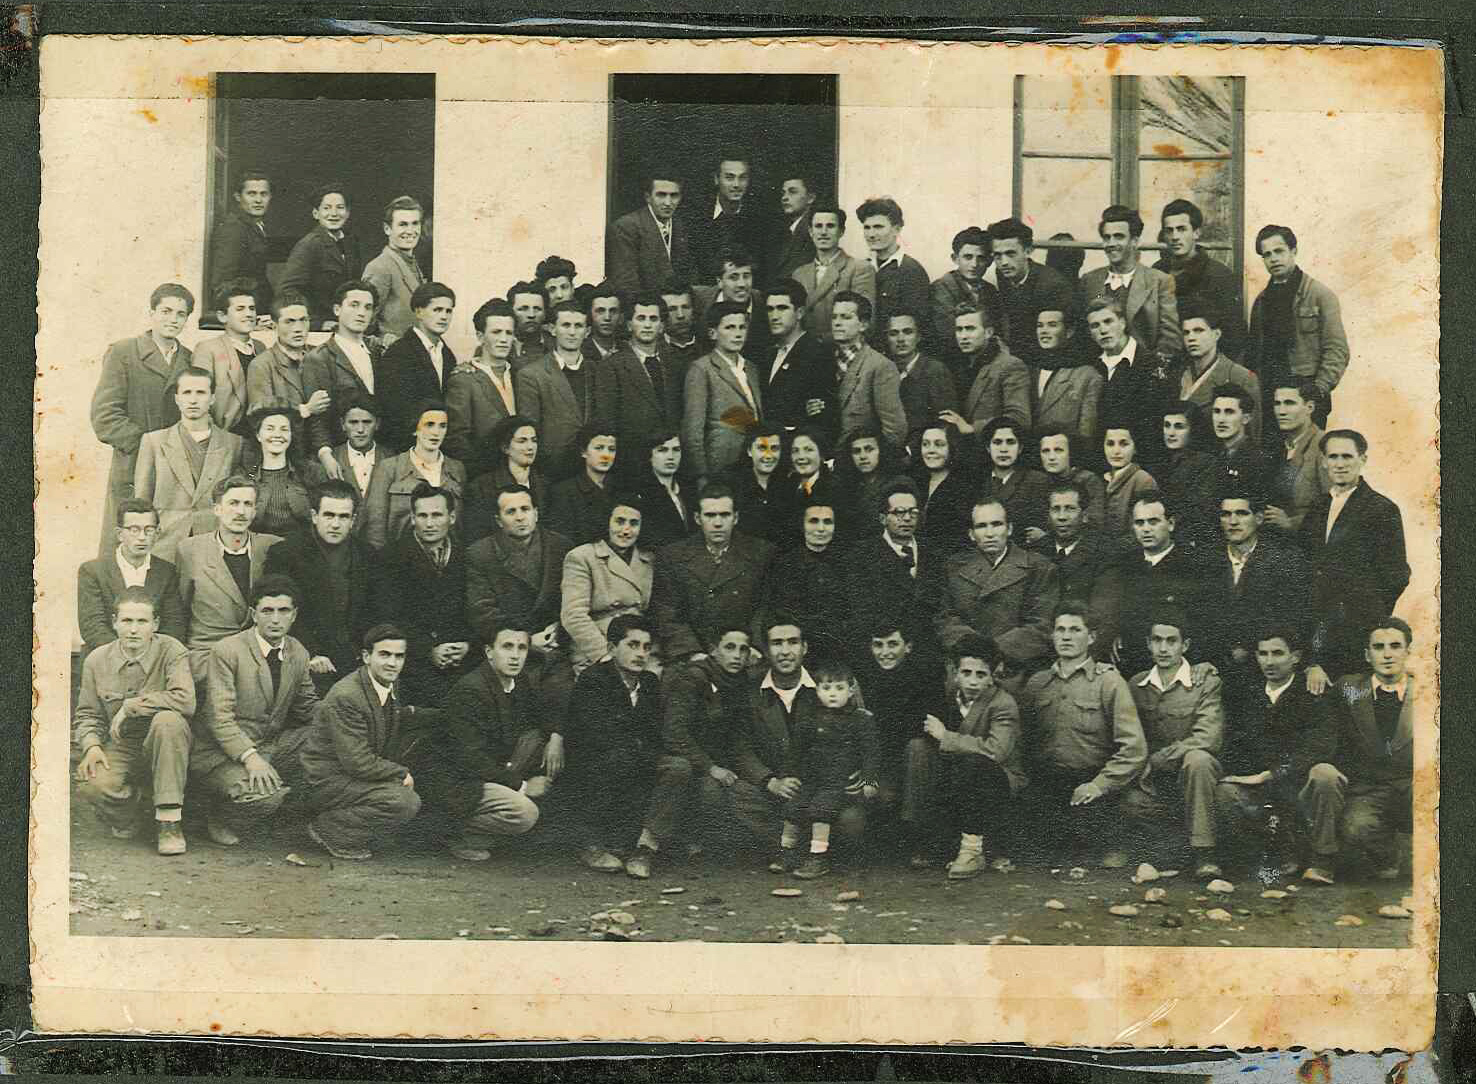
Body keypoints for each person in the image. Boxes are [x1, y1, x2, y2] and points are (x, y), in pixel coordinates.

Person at [191, 575, 320, 846]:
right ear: (253, 614)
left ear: (294, 615)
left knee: (324, 739)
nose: (275, 619)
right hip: (221, 753)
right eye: (267, 611)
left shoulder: (297, 652)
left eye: (283, 611)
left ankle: (278, 810)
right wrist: (251, 758)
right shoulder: (227, 650)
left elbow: (308, 707)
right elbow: (219, 718)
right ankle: (219, 813)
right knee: (266, 797)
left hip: (269, 745)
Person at [1018, 600, 1146, 867]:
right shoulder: (1038, 683)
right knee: (1032, 851)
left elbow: (1133, 749)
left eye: (1075, 630)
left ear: (1091, 637)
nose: (1066, 637)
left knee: (1095, 853)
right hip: (1049, 784)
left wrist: (1099, 785)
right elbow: (1024, 743)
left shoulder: (1109, 682)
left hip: (1091, 784)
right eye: (1060, 630)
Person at [72, 587, 196, 855]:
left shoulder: (172, 650)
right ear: (114, 623)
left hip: (166, 742)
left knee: (168, 721)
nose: (134, 630)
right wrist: (92, 746)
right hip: (122, 744)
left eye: (142, 621)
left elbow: (185, 700)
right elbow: (87, 714)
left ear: (156, 624)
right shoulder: (97, 660)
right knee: (93, 784)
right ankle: (138, 812)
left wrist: (131, 707)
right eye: (127, 621)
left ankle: (169, 823)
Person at [558, 614, 684, 877]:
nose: (640, 654)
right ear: (612, 648)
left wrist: (641, 748)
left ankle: (645, 848)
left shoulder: (649, 683)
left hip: (636, 758)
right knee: (616, 759)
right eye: (632, 645)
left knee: (678, 767)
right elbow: (596, 736)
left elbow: (653, 734)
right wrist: (638, 746)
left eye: (646, 647)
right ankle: (591, 843)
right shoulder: (593, 680)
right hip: (596, 765)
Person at [415, 623, 546, 861]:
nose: (515, 656)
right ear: (489, 652)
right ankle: (454, 834)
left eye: (522, 648)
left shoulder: (520, 683)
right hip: (456, 781)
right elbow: (469, 757)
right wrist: (522, 785)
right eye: (507, 647)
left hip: (487, 771)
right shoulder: (471, 689)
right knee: (524, 813)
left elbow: (533, 727)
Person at [1215, 626, 1337, 880]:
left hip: (1298, 782)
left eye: (1278, 653)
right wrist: (1249, 774)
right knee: (1226, 792)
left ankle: (1321, 858)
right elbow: (1235, 741)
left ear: (1295, 657)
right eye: (1263, 653)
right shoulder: (1248, 694)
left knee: (1325, 775)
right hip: (1263, 786)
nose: (1269, 662)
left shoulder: (1312, 691)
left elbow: (1320, 744)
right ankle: (1270, 852)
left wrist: (1274, 773)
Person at [1301, 618, 1417, 885]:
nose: (1387, 655)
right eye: (1378, 647)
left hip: (1415, 786)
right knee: (1355, 826)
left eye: (1395, 646)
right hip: (1370, 790)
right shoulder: (1348, 688)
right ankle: (1387, 855)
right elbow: (1324, 731)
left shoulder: (1430, 690)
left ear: (1408, 651)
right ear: (1367, 655)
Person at [296, 624, 424, 861]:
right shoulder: (348, 695)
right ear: (366, 656)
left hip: (349, 775)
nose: (392, 663)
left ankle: (352, 827)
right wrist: (400, 773)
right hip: (324, 781)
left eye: (399, 656)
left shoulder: (387, 682)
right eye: (384, 654)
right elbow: (358, 762)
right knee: (404, 801)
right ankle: (330, 828)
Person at [1298, 430, 1411, 690]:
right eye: (1333, 457)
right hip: (1316, 630)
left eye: (1347, 456)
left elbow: (1395, 575)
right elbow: (1305, 567)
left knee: (1354, 702)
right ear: (1323, 461)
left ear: (1363, 459)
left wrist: (1369, 616)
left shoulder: (1381, 509)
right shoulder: (1317, 508)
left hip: (1357, 632)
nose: (1340, 464)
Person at [90, 282, 196, 557]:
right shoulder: (124, 352)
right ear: (151, 313)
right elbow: (105, 416)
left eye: (181, 314)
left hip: (175, 469)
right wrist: (147, 446)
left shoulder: (189, 359)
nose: (173, 319)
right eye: (166, 311)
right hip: (133, 464)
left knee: (167, 546)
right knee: (126, 544)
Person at [1121, 608, 1226, 874]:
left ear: (1185, 645)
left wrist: (1160, 758)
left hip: (1195, 780)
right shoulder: (1136, 684)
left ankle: (1205, 854)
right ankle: (1174, 849)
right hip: (1155, 786)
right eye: (1157, 640)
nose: (1163, 648)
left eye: (1171, 641)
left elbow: (1208, 737)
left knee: (1198, 759)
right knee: (1128, 803)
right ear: (1148, 643)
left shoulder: (1205, 682)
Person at [921, 634, 1025, 878]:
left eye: (981, 674)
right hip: (961, 777)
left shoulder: (1003, 704)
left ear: (992, 676)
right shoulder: (949, 696)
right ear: (954, 672)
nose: (973, 682)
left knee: (974, 763)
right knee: (918, 749)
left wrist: (946, 737)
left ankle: (972, 850)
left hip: (998, 780)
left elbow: (995, 751)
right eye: (966, 673)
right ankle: (925, 839)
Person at [263, 479, 375, 693]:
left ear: (353, 520)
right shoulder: (286, 553)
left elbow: (377, 610)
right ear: (314, 516)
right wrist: (310, 653)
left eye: (343, 517)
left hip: (356, 658)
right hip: (305, 657)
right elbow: (277, 612)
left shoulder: (368, 555)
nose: (335, 524)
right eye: (329, 515)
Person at [371, 482, 478, 706]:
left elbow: (475, 607)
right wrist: (428, 650)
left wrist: (467, 644)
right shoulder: (390, 557)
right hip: (413, 660)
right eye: (422, 516)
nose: (429, 523)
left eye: (437, 515)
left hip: (461, 658)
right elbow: (388, 616)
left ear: (451, 517)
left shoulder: (466, 556)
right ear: (412, 518)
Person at [773, 656, 880, 880]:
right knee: (793, 808)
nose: (832, 694)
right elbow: (796, 751)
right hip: (812, 778)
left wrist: (869, 780)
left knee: (821, 809)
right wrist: (787, 775)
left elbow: (870, 753)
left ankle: (818, 857)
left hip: (840, 782)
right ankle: (787, 853)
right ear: (818, 691)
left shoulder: (860, 720)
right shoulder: (811, 719)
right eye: (826, 688)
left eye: (839, 688)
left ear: (851, 691)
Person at [855, 618, 947, 866]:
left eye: (892, 644)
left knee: (917, 748)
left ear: (908, 647)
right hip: (883, 762)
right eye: (878, 645)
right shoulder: (866, 679)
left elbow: (931, 731)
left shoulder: (925, 679)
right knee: (876, 800)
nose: (885, 652)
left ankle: (920, 838)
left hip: (918, 763)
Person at [658, 624, 757, 855]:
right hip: (683, 761)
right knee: (712, 792)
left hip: (714, 762)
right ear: (714, 650)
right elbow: (674, 732)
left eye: (743, 649)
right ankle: (680, 838)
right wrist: (710, 767)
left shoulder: (739, 681)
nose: (737, 655)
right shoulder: (694, 677)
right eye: (730, 647)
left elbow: (737, 737)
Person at [174, 475, 282, 682]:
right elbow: (180, 610)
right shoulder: (190, 550)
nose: (241, 512)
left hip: (258, 656)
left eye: (248, 504)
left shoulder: (272, 547)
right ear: (217, 509)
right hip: (208, 656)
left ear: (255, 511)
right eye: (233, 503)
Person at [1202, 483, 1312, 687]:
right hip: (1216, 667)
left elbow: (1294, 618)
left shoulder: (1284, 560)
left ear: (1259, 518)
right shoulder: (1208, 561)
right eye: (1226, 515)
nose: (1233, 521)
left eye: (1242, 513)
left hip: (1267, 669)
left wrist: (1249, 646)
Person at [651, 481, 774, 660]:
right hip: (692, 655)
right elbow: (667, 613)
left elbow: (765, 608)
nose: (717, 523)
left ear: (735, 518)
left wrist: (752, 646)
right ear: (697, 518)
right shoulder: (672, 556)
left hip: (745, 653)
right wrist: (692, 653)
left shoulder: (761, 553)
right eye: (710, 515)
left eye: (725, 515)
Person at [132, 367, 244, 562]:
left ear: (212, 398)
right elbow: (142, 503)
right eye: (186, 392)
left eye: (200, 393)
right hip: (165, 545)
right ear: (177, 398)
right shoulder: (154, 441)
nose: (193, 400)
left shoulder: (234, 444)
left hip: (215, 544)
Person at [1246, 224, 1349, 430]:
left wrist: (1317, 390)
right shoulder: (1262, 301)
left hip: (1306, 396)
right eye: (1267, 255)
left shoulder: (1320, 295)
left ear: (1293, 251)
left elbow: (1337, 350)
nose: (1274, 259)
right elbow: (1254, 352)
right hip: (1271, 395)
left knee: (1307, 447)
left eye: (1279, 251)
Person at [937, 495, 1058, 667]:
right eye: (981, 526)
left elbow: (1042, 626)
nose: (990, 534)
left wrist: (992, 650)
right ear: (971, 534)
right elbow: (945, 619)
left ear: (1009, 529)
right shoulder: (954, 567)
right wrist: (972, 648)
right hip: (965, 665)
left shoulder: (1039, 567)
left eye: (997, 524)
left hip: (1017, 667)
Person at [1100, 491, 1205, 680]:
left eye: (1153, 522)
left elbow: (1202, 622)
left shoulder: (1193, 565)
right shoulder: (1125, 564)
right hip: (1130, 666)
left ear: (1170, 524)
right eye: (1139, 523)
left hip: (1177, 668)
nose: (1146, 529)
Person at [464, 483, 572, 668]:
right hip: (507, 653)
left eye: (525, 509)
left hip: (557, 648)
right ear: (499, 520)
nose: (520, 517)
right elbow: (483, 612)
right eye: (511, 512)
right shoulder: (480, 554)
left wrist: (559, 630)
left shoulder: (561, 547)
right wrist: (526, 641)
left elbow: (574, 600)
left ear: (536, 514)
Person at [514, 300, 619, 480]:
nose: (572, 332)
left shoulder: (598, 371)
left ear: (587, 332)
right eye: (565, 325)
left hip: (593, 471)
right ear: (552, 329)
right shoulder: (532, 374)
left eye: (578, 326)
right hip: (553, 471)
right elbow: (531, 430)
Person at [78, 499, 187, 658]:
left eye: (149, 530)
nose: (142, 537)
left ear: (157, 533)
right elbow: (92, 626)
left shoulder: (166, 571)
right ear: (119, 534)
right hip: (106, 658)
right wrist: (126, 656)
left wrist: (149, 657)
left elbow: (174, 624)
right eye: (134, 530)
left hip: (154, 660)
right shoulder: (93, 571)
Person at [844, 479, 945, 651]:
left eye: (913, 512)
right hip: (884, 650)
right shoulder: (862, 556)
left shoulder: (933, 553)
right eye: (899, 512)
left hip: (928, 649)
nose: (907, 518)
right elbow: (862, 612)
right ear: (883, 518)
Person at [301, 280, 386, 480]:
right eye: (354, 305)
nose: (361, 313)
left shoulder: (376, 350)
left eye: (367, 307)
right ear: (337, 309)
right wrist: (325, 455)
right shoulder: (320, 358)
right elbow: (317, 418)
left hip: (377, 453)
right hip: (340, 454)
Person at [561, 495, 655, 673]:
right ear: (607, 523)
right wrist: (605, 654)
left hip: (639, 648)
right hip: (597, 649)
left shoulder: (648, 560)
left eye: (634, 523)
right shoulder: (582, 557)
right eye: (619, 521)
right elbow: (573, 615)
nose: (626, 530)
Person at [1080, 205, 1181, 359]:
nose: (1111, 243)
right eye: (1107, 238)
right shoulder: (1090, 281)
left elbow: (1170, 339)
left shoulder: (1159, 281)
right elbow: (1084, 335)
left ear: (1135, 241)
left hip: (1144, 368)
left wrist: (1149, 368)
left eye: (1119, 237)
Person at [363, 401, 466, 551]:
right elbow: (376, 523)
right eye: (429, 425)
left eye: (442, 426)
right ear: (415, 429)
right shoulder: (390, 467)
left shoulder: (457, 469)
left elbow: (459, 525)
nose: (436, 432)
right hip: (400, 557)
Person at [1087, 297, 1176, 466]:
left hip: (1144, 463)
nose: (1103, 330)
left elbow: (1155, 425)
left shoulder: (1152, 364)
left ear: (1122, 323)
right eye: (1095, 326)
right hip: (1103, 464)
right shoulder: (1093, 367)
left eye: (1108, 321)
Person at [682, 300, 764, 484]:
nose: (738, 334)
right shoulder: (702, 369)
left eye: (742, 327)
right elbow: (693, 431)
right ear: (713, 333)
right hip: (719, 465)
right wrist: (701, 476)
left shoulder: (751, 368)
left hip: (751, 464)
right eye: (730, 327)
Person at [1155, 199, 1247, 359]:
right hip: (1164, 363)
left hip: (1204, 365)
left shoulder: (1219, 276)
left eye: (1181, 229)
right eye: (1169, 231)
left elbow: (1234, 336)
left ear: (1196, 233)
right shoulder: (1156, 273)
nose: (1175, 236)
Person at [377, 282, 459, 453]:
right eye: (437, 310)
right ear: (419, 312)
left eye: (448, 311)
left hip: (438, 446)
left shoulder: (448, 356)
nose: (444, 316)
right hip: (407, 447)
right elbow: (395, 410)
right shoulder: (399, 353)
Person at [445, 297, 518, 479]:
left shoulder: (520, 375)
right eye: (496, 332)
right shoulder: (464, 379)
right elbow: (456, 439)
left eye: (509, 333)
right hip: (485, 476)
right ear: (480, 336)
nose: (503, 339)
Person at [609, 292, 685, 461]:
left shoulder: (675, 364)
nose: (648, 325)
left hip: (671, 458)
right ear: (629, 325)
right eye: (641, 318)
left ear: (662, 326)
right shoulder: (613, 366)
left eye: (653, 319)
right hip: (633, 458)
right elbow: (608, 421)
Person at [987, 217, 1076, 361]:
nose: (1004, 262)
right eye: (998, 256)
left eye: (1011, 254)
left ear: (1028, 251)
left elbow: (1060, 339)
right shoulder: (1004, 273)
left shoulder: (1052, 285)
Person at [246, 290, 332, 437]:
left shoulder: (322, 356)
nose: (298, 329)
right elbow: (261, 415)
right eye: (289, 321)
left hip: (325, 443)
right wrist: (305, 409)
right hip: (285, 445)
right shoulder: (261, 365)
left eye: (303, 320)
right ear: (274, 326)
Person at [1028, 479, 1113, 625]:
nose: (1062, 517)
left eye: (1070, 509)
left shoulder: (1104, 552)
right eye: (1056, 509)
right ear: (1048, 515)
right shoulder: (1035, 551)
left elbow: (1102, 614)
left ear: (1085, 515)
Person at [765, 499, 850, 645]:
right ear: (802, 525)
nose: (821, 529)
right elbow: (784, 612)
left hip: (840, 642)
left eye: (828, 522)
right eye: (813, 521)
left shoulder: (847, 563)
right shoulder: (786, 564)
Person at [829, 292, 907, 448]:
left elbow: (895, 429)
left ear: (863, 325)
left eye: (846, 317)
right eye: (834, 317)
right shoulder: (824, 359)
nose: (837, 323)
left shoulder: (879, 366)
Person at [938, 304, 1030, 435]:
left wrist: (972, 428)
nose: (963, 336)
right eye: (959, 329)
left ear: (988, 332)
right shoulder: (957, 365)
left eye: (970, 329)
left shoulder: (1010, 366)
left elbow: (1019, 418)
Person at [279, 183, 364, 324]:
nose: (334, 213)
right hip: (320, 326)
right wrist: (317, 322)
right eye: (327, 208)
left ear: (348, 213)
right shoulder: (309, 245)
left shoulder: (351, 244)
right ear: (316, 213)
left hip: (344, 322)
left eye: (340, 207)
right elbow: (287, 291)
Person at [792, 204, 876, 343]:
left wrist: (822, 340)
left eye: (830, 226)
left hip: (840, 348)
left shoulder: (859, 269)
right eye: (818, 226)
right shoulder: (799, 274)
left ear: (841, 231)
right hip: (805, 349)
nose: (823, 232)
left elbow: (866, 321)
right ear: (811, 231)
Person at [1177, 305, 1261, 444]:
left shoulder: (1242, 377)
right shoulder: (1180, 375)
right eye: (1186, 333)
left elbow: (1252, 437)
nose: (1191, 338)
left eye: (1198, 330)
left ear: (1216, 334)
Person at [759, 279, 832, 433]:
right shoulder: (768, 354)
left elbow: (820, 416)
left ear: (799, 313)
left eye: (782, 308)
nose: (774, 316)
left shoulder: (817, 354)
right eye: (770, 309)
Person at [193, 280, 265, 435]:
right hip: (225, 435)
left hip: (259, 436)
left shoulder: (260, 348)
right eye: (240, 309)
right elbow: (199, 400)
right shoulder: (208, 349)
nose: (249, 314)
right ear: (222, 316)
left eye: (252, 308)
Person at [241, 400, 320, 540]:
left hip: (303, 547)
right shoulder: (246, 476)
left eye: (284, 429)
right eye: (270, 429)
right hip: (258, 547)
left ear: (291, 435)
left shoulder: (309, 472)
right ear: (258, 435)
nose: (277, 435)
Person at [462, 414, 546, 544]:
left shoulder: (545, 485)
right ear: (505, 448)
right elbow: (476, 536)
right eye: (522, 441)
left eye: (534, 440)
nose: (530, 447)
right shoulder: (481, 487)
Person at [1263, 379, 1332, 534]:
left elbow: (1334, 506)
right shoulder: (1278, 446)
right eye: (1277, 403)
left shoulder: (1324, 445)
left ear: (1310, 407)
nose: (1281, 411)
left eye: (1289, 403)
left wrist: (1291, 523)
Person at [607, 170, 693, 295]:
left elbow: (690, 275)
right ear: (648, 197)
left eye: (674, 196)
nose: (668, 203)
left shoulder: (681, 226)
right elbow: (626, 283)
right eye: (661, 195)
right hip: (645, 303)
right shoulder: (626, 227)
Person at [859, 197, 930, 346]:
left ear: (896, 229)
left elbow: (918, 326)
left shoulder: (911, 270)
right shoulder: (861, 267)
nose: (871, 234)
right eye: (867, 227)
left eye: (878, 227)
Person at [929, 226, 1004, 358]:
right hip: (952, 359)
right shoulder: (941, 288)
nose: (974, 264)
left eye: (981, 258)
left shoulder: (991, 291)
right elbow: (948, 334)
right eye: (968, 257)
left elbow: (1000, 328)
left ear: (989, 261)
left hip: (984, 357)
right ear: (955, 258)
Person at [692, 154, 765, 288]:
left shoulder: (760, 220)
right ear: (716, 179)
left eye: (742, 178)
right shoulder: (696, 217)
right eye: (729, 178)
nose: (736, 185)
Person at [1155, 404, 1221, 554]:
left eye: (1179, 427)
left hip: (1189, 539)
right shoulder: (1161, 462)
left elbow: (1200, 509)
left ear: (1193, 429)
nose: (1171, 433)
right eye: (1167, 425)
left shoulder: (1206, 463)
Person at [1031, 306, 1102, 443]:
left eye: (1052, 325)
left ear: (1069, 332)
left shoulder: (1087, 376)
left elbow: (1086, 434)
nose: (1044, 331)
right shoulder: (1029, 371)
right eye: (1040, 326)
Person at [362, 196, 427, 344]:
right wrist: (385, 342)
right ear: (387, 229)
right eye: (403, 224)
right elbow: (364, 324)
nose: (410, 231)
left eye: (415, 223)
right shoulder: (380, 267)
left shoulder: (412, 263)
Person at [208, 169, 273, 314]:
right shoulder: (233, 229)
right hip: (243, 312)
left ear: (270, 197)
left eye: (264, 194)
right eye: (251, 194)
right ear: (238, 197)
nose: (258, 200)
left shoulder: (255, 226)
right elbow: (222, 283)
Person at [887, 309, 958, 436]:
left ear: (918, 336)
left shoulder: (935, 371)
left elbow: (946, 421)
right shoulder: (884, 370)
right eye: (893, 333)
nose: (900, 339)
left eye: (908, 332)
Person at [693, 244, 771, 361]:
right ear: (719, 281)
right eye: (733, 277)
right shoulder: (699, 299)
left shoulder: (763, 302)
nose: (742, 284)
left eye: (746, 276)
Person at [545, 424, 618, 546]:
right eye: (599, 448)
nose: (606, 455)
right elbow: (560, 541)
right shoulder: (563, 492)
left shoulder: (620, 489)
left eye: (611, 449)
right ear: (584, 452)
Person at [979, 418, 1051, 540]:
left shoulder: (1037, 481)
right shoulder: (978, 481)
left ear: (1020, 448)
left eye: (1010, 442)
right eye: (997, 442)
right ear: (988, 448)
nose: (1003, 449)